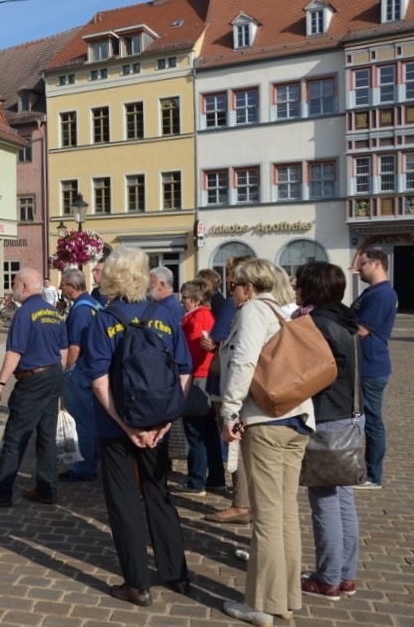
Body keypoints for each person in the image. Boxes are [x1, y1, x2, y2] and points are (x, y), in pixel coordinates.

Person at [81, 248, 192, 606]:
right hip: (157, 423)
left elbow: (99, 383)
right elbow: (184, 372)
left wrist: (127, 427)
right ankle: (175, 574)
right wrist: (166, 420)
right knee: (160, 495)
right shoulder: (165, 316)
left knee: (124, 501)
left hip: (116, 428)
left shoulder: (102, 320)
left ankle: (137, 583)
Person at [219, 259, 316, 626]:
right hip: (295, 420)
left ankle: (262, 603)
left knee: (266, 517)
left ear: (246, 286)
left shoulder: (253, 311)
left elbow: (243, 363)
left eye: (233, 286)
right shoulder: (279, 311)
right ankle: (286, 597)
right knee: (286, 512)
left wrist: (229, 413)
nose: (232, 292)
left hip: (266, 420)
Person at [0, 267, 67, 508]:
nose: (12, 287)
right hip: (53, 374)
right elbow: (63, 350)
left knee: (16, 436)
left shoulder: (24, 313)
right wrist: (57, 375)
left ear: (24, 287)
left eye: (14, 283)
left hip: (33, 380)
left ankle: (1, 491)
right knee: (46, 436)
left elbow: (14, 352)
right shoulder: (54, 312)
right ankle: (47, 489)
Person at [295, 262, 361, 601]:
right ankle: (346, 574)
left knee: (324, 501)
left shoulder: (318, 323)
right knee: (344, 499)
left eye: (300, 284)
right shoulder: (345, 319)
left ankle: (327, 578)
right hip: (350, 416)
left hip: (327, 419)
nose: (296, 288)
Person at [202, 254, 254, 526]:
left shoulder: (242, 308)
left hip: (233, 384)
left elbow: (220, 340)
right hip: (243, 386)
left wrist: (211, 344)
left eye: (232, 279)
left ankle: (242, 503)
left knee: (236, 444)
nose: (229, 283)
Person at [351, 249, 396, 489]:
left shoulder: (382, 294)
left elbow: (362, 329)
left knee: (373, 421)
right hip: (366, 363)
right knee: (369, 419)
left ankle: (373, 475)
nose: (358, 269)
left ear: (377, 263)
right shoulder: (371, 292)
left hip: (371, 364)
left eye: (363, 264)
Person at [176, 278, 224, 496]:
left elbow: (192, 354)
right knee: (209, 431)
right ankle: (215, 477)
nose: (182, 301)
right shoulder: (204, 316)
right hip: (204, 378)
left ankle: (196, 481)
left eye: (184, 297)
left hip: (197, 379)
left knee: (195, 432)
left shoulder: (197, 319)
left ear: (195, 299)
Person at [57, 268, 101, 482]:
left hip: (80, 371)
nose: (60, 289)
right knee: (90, 420)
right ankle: (91, 461)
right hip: (91, 369)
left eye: (63, 285)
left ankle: (84, 468)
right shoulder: (92, 304)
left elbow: (75, 348)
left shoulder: (81, 310)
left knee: (82, 421)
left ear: (73, 287)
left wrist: (65, 372)